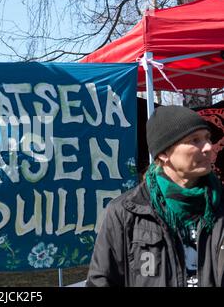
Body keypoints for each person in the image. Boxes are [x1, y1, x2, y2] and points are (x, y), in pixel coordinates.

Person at [86, 105, 223, 287]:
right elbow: (101, 281)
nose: (207, 147)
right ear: (164, 153)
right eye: (194, 140)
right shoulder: (126, 212)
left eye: (208, 138)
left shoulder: (220, 204)